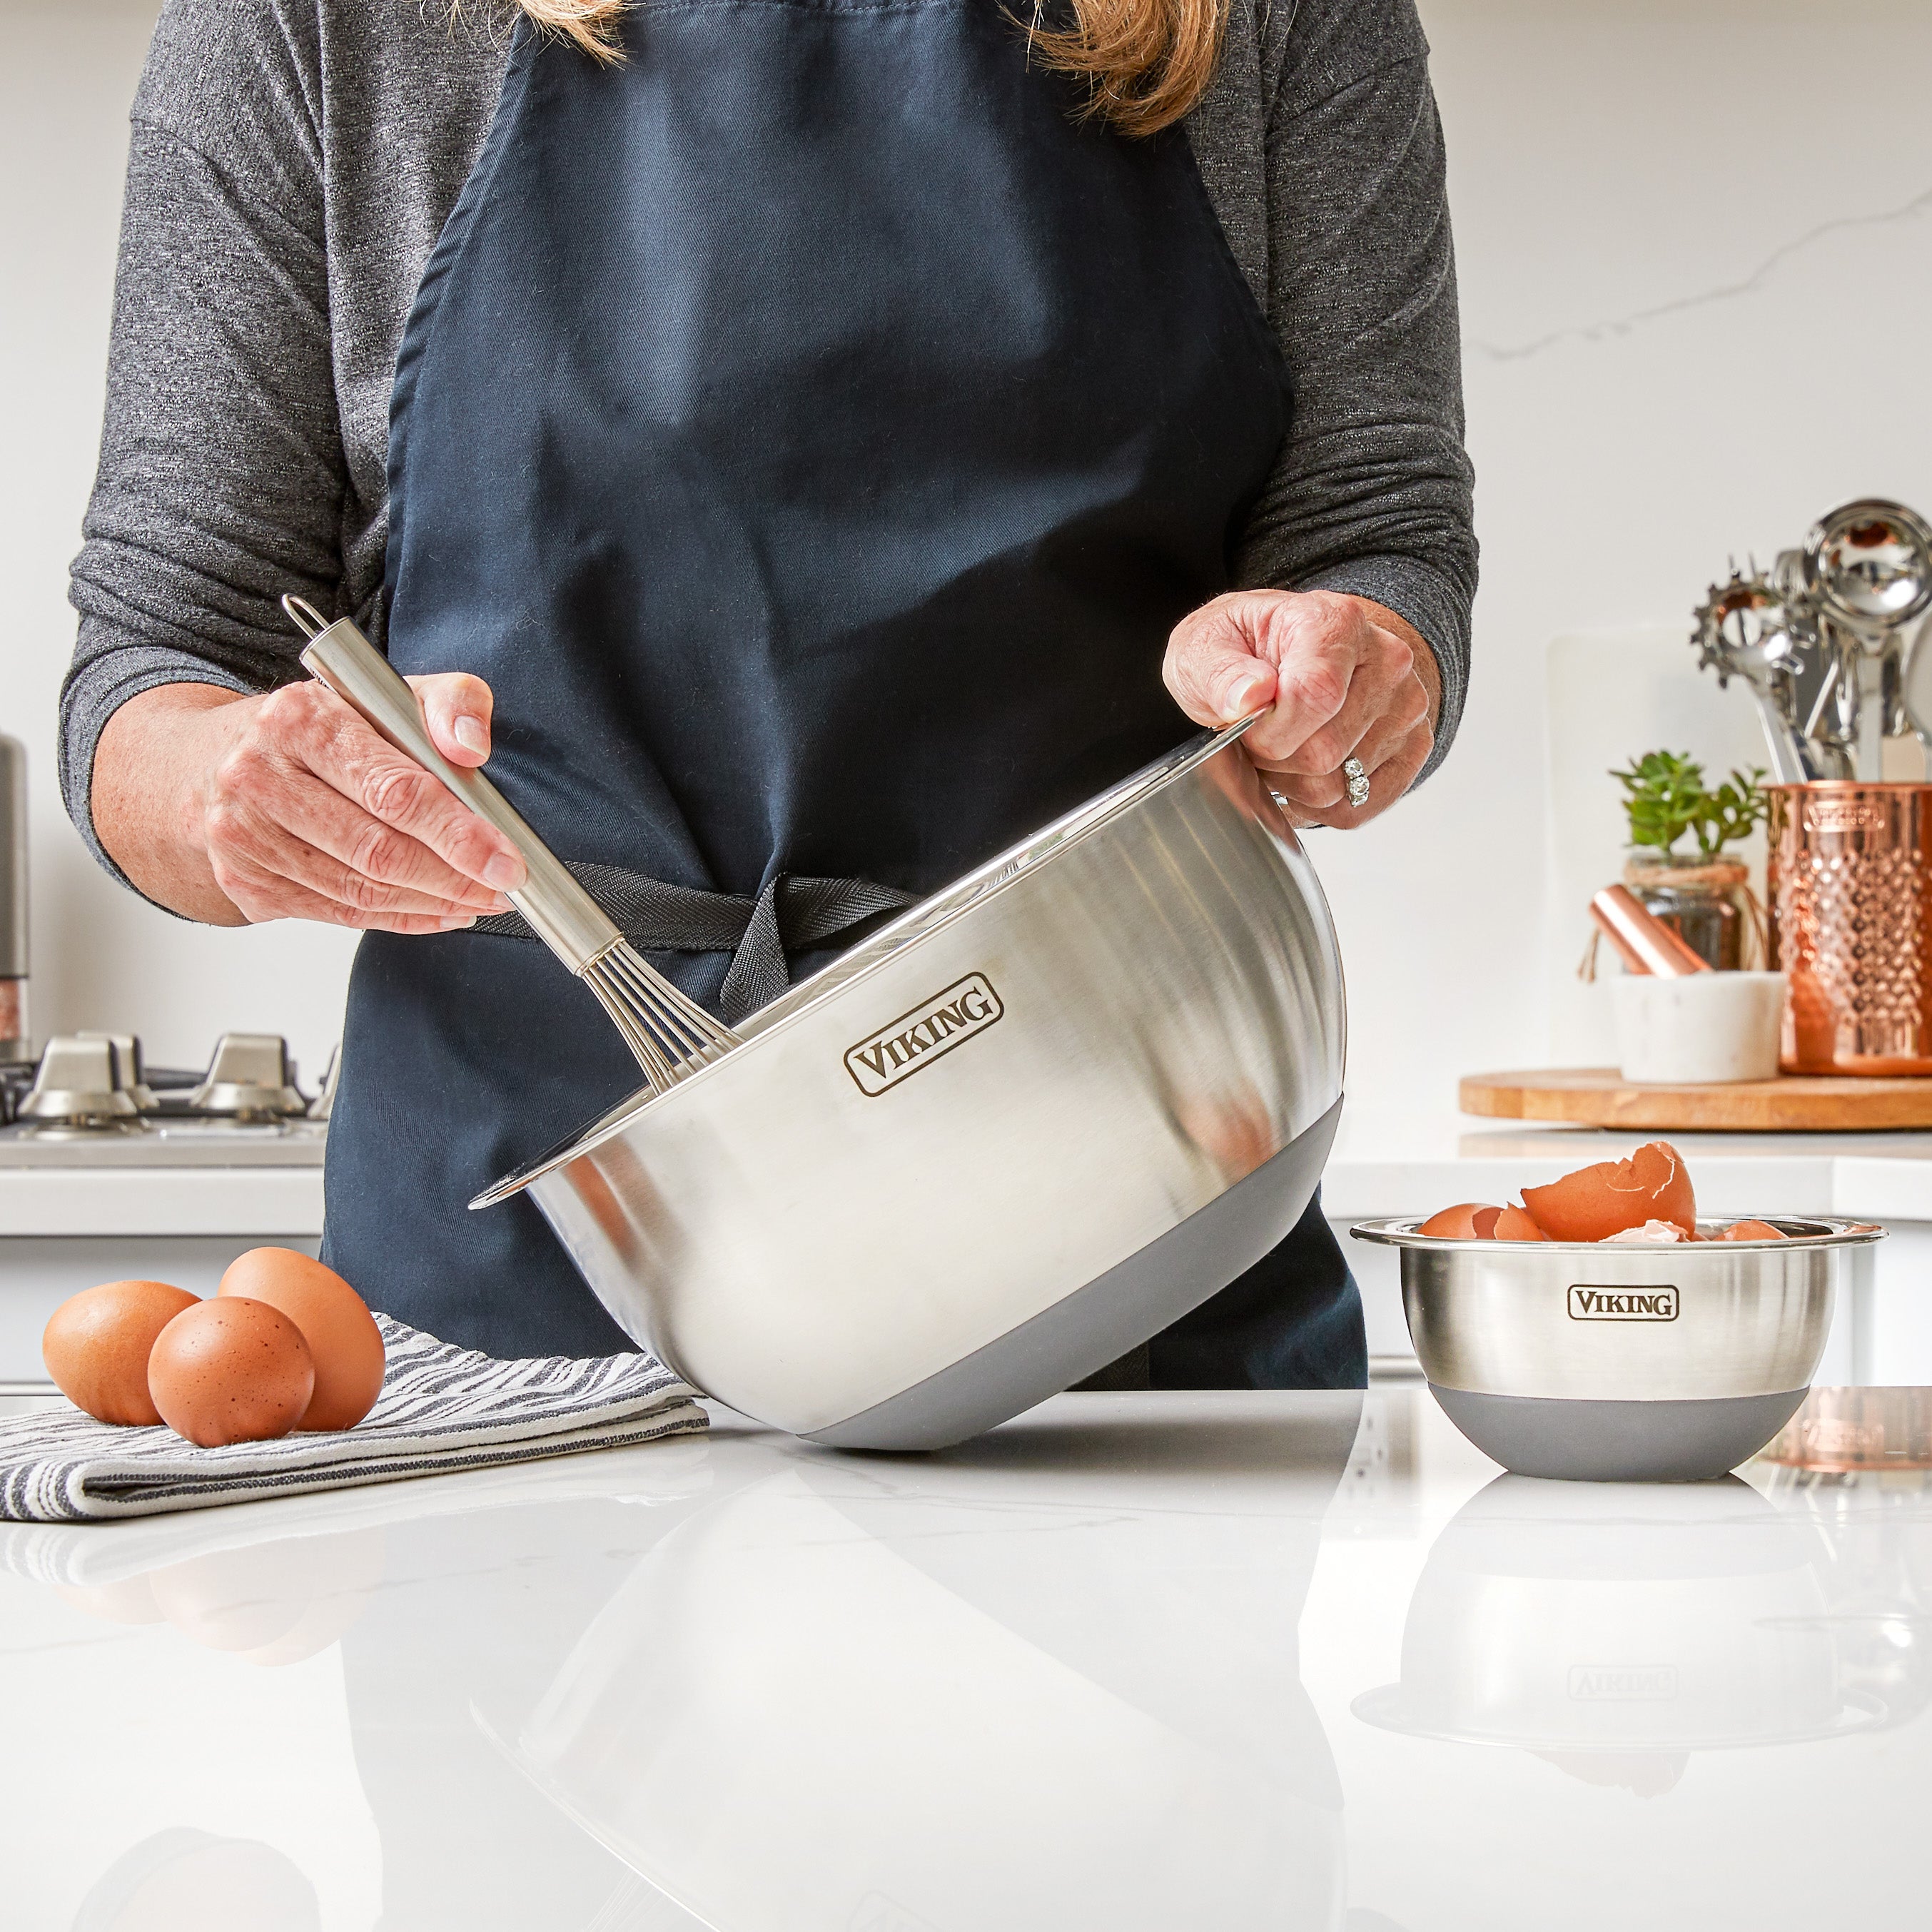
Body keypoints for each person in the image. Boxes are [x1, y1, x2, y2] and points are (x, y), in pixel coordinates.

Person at [64, 0, 1476, 1377]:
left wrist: (1349, 664)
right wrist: (230, 791)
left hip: (1133, 1215)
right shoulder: (316, 27)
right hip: (553, 1264)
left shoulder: (1272, 19)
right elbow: (154, 661)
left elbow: (1379, 529)